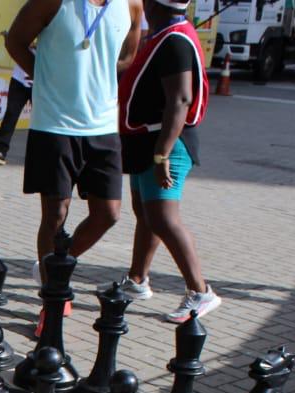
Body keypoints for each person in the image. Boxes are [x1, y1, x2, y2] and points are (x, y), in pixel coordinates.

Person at [6, 0, 143, 279]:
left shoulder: (131, 4)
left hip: (103, 126)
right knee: (56, 213)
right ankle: (51, 292)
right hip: (55, 124)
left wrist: (96, 74)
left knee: (108, 214)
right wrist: (44, 77)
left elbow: (128, 55)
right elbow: (15, 41)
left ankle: (57, 263)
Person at [115, 0, 219, 322]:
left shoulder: (174, 40)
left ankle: (201, 292)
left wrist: (162, 153)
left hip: (166, 144)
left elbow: (181, 99)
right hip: (146, 140)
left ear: (150, 5)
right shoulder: (161, 34)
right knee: (146, 213)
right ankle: (137, 280)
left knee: (163, 217)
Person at [0, 55, 34, 165]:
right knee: (11, 113)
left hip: (41, 77)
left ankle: (38, 154)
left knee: (40, 119)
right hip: (19, 77)